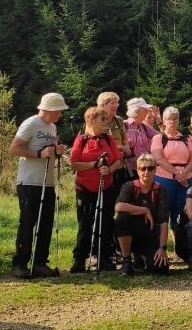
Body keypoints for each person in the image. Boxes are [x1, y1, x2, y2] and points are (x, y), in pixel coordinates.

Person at [8, 93, 68, 278]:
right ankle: (20, 263)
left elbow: (48, 150)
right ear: (51, 110)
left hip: (47, 182)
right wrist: (39, 153)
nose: (61, 115)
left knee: (46, 223)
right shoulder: (31, 123)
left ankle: (40, 262)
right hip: (29, 181)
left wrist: (57, 151)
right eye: (60, 111)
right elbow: (13, 149)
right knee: (27, 223)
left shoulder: (52, 126)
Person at [69, 106, 122, 273]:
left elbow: (118, 161)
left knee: (105, 222)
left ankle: (103, 257)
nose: (106, 123)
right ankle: (80, 259)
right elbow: (74, 163)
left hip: (106, 187)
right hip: (85, 188)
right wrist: (93, 165)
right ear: (91, 120)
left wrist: (109, 169)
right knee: (85, 222)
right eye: (103, 120)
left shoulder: (108, 138)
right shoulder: (81, 139)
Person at [114, 153, 170, 275]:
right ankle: (127, 260)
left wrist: (162, 248)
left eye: (150, 168)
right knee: (122, 218)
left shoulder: (160, 190)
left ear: (155, 170)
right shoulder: (130, 186)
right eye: (142, 168)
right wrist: (144, 210)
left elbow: (164, 221)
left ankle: (142, 256)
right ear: (137, 170)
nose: (146, 171)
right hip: (129, 232)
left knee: (161, 268)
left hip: (148, 234)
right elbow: (118, 206)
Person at [151, 106, 192, 247]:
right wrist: (178, 174)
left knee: (181, 212)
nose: (172, 121)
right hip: (164, 179)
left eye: (175, 118)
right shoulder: (158, 138)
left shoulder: (185, 139)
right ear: (163, 120)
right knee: (162, 212)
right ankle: (159, 246)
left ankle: (180, 246)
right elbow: (159, 159)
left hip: (186, 179)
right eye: (169, 119)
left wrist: (184, 174)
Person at [97, 92, 131, 190]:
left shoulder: (118, 120)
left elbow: (124, 139)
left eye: (117, 103)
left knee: (118, 192)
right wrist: (120, 148)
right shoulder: (96, 119)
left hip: (119, 164)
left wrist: (126, 151)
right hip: (103, 165)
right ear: (103, 104)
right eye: (113, 103)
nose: (116, 105)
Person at [124, 98, 160, 173]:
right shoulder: (123, 125)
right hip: (128, 170)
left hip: (146, 169)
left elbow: (163, 137)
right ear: (136, 110)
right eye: (145, 109)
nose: (147, 112)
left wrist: (158, 119)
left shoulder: (144, 126)